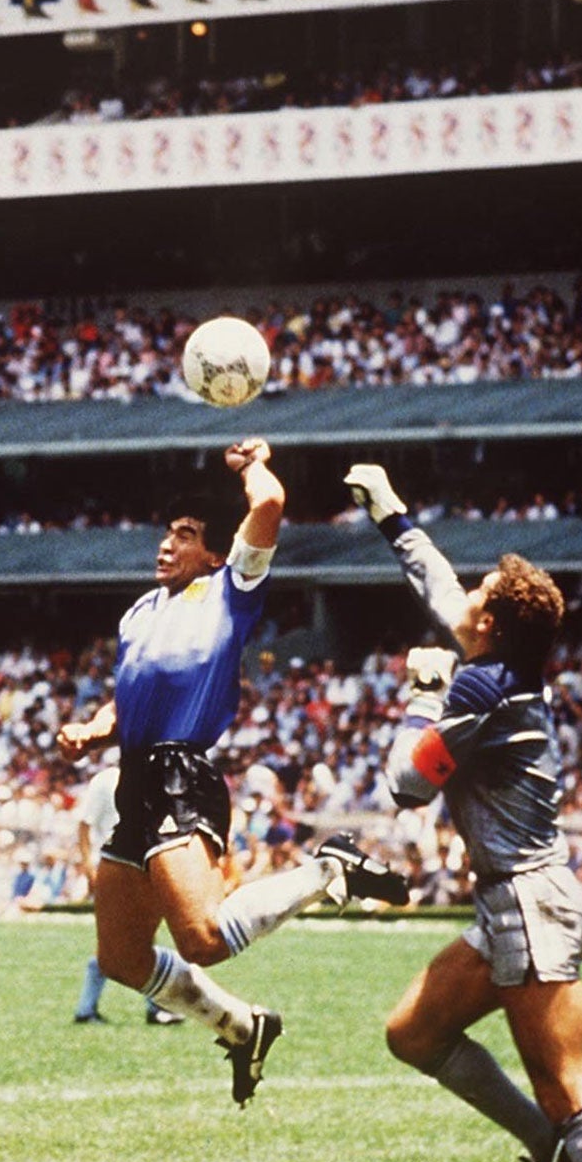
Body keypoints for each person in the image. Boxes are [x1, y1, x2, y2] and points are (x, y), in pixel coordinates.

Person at [343, 462, 582, 1162]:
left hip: (529, 901)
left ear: (487, 626)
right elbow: (443, 585)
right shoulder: (499, 667)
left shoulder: (484, 689)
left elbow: (405, 785)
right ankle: (548, 1148)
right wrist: (391, 513)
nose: (465, 604)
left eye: (478, 600)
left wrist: (421, 695)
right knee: (413, 1033)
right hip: (510, 901)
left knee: (566, 1082)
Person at [55, 438, 409, 1110]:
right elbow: (127, 696)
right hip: (135, 778)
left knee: (205, 938)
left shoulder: (229, 589)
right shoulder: (139, 612)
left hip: (181, 774)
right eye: (166, 534)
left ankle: (327, 872)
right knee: (123, 959)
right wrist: (93, 729)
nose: (166, 545)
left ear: (214, 553)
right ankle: (243, 1027)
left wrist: (252, 467)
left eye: (184, 536)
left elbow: (270, 503)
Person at [71, 762, 181, 1025]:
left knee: (133, 939)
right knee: (122, 940)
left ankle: (89, 1008)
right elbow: (85, 825)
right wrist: (88, 867)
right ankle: (153, 1008)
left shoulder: (155, 780)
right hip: (114, 865)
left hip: (143, 867)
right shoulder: (107, 780)